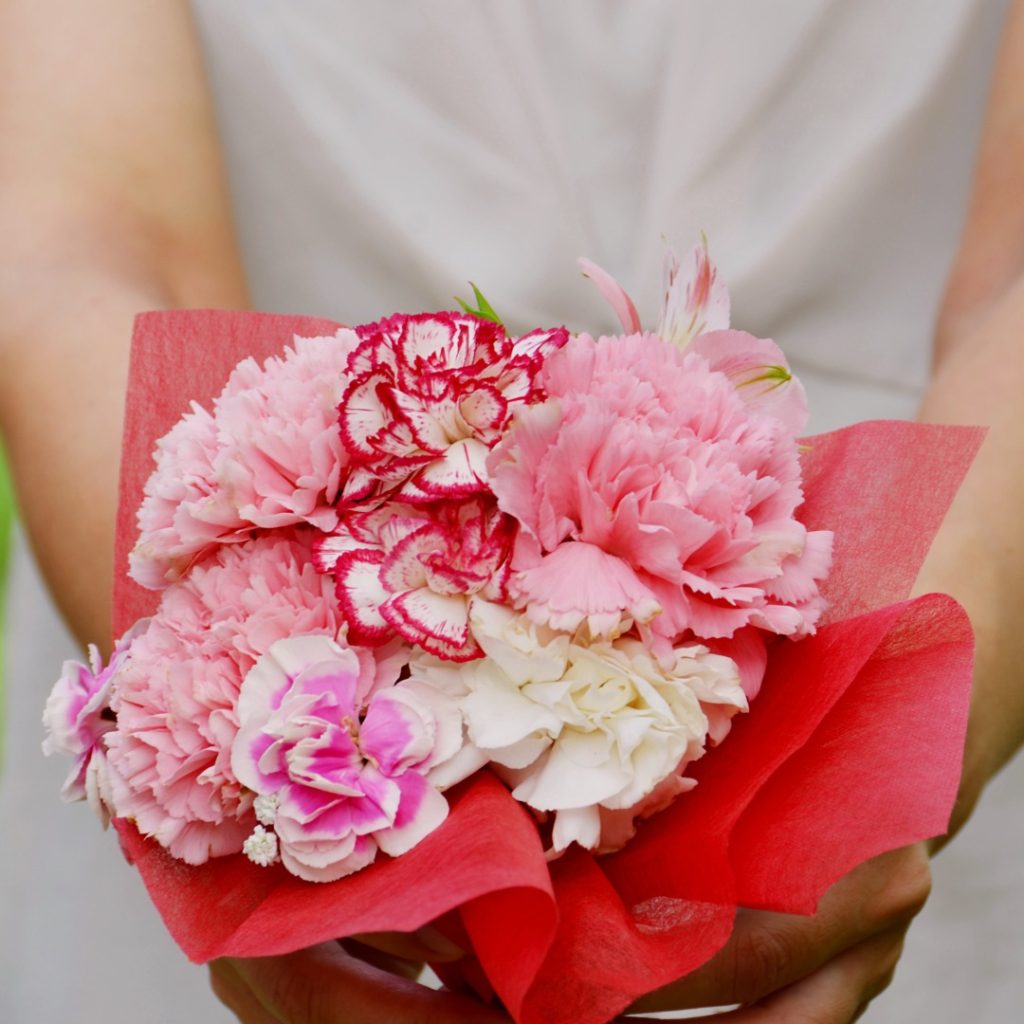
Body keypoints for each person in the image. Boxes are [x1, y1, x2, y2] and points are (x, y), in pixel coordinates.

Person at [1, 1, 1022, 1021]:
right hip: (272, 603)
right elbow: (84, 241)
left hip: (906, 566)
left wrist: (907, 726)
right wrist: (253, 745)